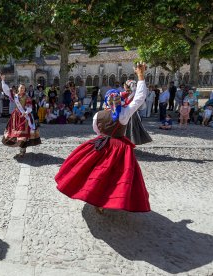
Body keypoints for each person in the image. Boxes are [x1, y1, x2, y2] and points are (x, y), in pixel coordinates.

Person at [55, 62, 150, 213]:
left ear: (105, 101)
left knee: (96, 172)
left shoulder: (98, 115)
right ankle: (110, 199)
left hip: (101, 144)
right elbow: (140, 97)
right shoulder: (124, 114)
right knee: (117, 176)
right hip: (120, 148)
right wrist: (140, 76)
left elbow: (97, 131)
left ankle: (96, 198)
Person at [1, 74, 41, 157]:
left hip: (24, 117)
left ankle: (22, 150)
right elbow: (6, 90)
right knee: (15, 133)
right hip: (15, 116)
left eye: (23, 88)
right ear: (18, 88)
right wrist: (3, 80)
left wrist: (26, 112)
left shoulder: (27, 97)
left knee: (23, 134)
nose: (22, 89)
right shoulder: (14, 96)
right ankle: (20, 147)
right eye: (21, 87)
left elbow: (30, 106)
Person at [124, 80, 152, 145]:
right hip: (130, 113)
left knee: (130, 128)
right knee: (130, 128)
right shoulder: (132, 94)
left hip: (130, 114)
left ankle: (130, 142)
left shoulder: (133, 95)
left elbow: (141, 105)